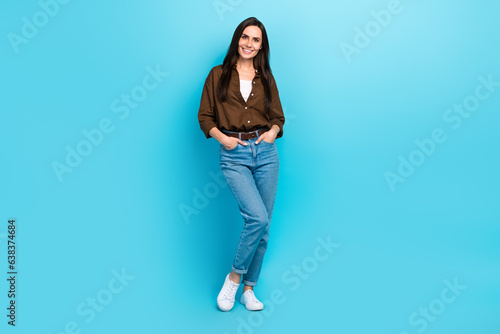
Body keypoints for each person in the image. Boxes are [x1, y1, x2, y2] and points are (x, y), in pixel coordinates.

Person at [197, 17, 285, 312]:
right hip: (234, 153)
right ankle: (234, 278)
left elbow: (278, 118)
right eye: (245, 37)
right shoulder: (217, 75)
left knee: (265, 226)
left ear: (262, 46)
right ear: (237, 39)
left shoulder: (266, 77)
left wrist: (272, 133)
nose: (249, 44)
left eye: (256, 40)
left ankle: (249, 289)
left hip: (265, 154)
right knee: (256, 218)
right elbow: (205, 117)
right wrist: (223, 138)